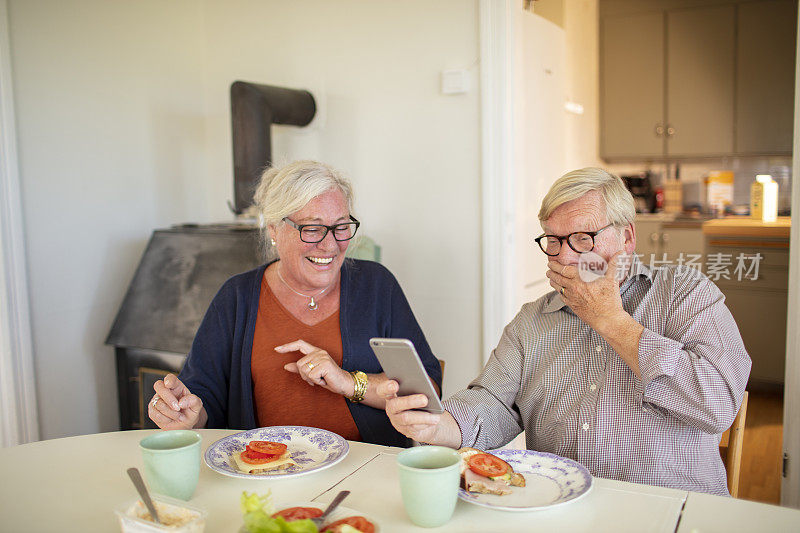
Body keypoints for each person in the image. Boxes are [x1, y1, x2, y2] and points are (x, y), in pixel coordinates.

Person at [379, 167, 751, 494]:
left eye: (583, 238)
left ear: (627, 238)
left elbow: (717, 405)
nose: (566, 257)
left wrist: (610, 320)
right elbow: (493, 403)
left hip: (675, 512)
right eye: (553, 240)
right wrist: (438, 427)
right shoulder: (533, 320)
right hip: (562, 507)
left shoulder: (684, 293)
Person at [149, 160, 441, 447]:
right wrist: (186, 413)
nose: (330, 245)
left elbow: (426, 393)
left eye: (341, 227)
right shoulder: (237, 297)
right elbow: (203, 400)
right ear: (274, 229)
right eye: (312, 229)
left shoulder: (377, 286)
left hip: (365, 471)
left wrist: (349, 382)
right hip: (264, 473)